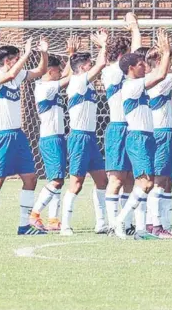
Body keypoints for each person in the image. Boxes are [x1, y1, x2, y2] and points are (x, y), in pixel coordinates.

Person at [0, 38, 48, 237]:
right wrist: (26, 54)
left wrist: (43, 53)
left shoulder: (17, 77)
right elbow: (10, 74)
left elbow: (40, 71)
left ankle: (24, 226)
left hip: (18, 135)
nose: (19, 61)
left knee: (30, 178)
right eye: (16, 58)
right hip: (1, 136)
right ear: (7, 60)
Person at [113, 28, 172, 240]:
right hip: (137, 138)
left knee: (145, 184)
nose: (145, 67)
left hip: (147, 137)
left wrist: (167, 56)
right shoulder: (131, 86)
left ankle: (140, 230)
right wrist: (166, 53)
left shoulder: (138, 86)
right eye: (141, 64)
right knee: (146, 183)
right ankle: (120, 221)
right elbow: (162, 74)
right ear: (131, 68)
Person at [62, 31, 108, 236]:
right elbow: (100, 65)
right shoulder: (78, 81)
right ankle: (65, 224)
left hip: (90, 138)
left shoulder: (85, 83)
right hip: (79, 137)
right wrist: (104, 46)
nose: (91, 67)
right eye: (88, 64)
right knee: (77, 183)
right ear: (82, 67)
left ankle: (101, 223)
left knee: (102, 180)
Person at [29, 37, 76, 232]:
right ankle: (34, 214)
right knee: (56, 180)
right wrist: (72, 57)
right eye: (57, 71)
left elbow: (64, 74)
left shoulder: (48, 83)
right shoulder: (45, 87)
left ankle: (54, 220)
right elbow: (69, 78)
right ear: (50, 71)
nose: (59, 73)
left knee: (57, 179)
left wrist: (69, 56)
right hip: (50, 139)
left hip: (56, 137)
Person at [101, 34, 135, 235]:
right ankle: (113, 224)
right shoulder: (113, 72)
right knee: (117, 178)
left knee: (130, 177)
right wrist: (134, 29)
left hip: (131, 128)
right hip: (118, 127)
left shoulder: (121, 71)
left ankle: (127, 222)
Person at [145, 46, 172, 239]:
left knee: (165, 180)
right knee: (158, 180)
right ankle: (156, 225)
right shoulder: (157, 83)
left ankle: (162, 224)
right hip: (160, 133)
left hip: (167, 132)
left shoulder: (158, 80)